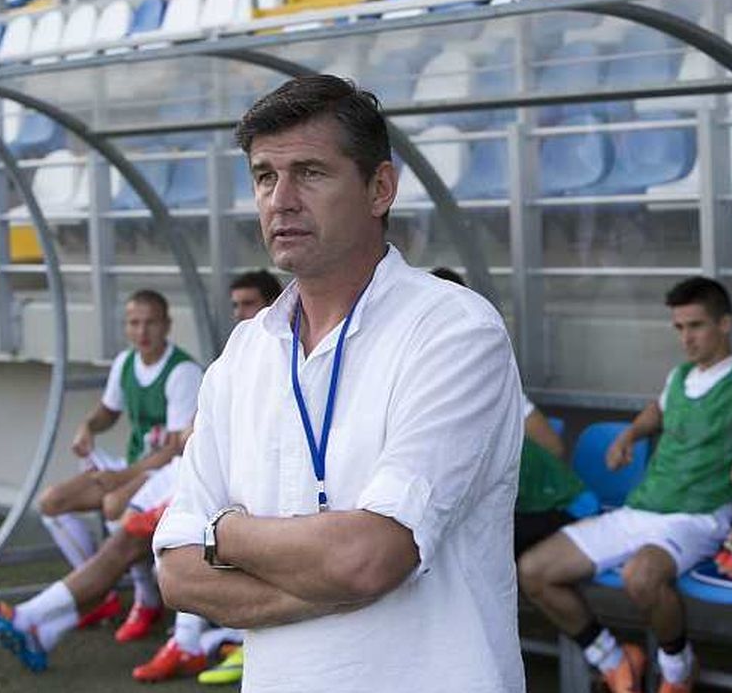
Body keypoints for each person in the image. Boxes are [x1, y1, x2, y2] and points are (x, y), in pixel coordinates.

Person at [152, 75, 526, 692]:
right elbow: (178, 575)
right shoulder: (245, 352)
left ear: (380, 188)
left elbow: (369, 558)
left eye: (310, 173)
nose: (281, 200)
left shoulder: (454, 330)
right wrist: (336, 576)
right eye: (265, 176)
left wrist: (226, 532)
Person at [518, 276, 732, 693]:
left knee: (641, 577)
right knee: (534, 571)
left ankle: (677, 671)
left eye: (696, 326)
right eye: (679, 327)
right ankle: (614, 660)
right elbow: (659, 410)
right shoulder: (679, 376)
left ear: (725, 324)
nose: (686, 337)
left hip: (697, 517)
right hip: (639, 509)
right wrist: (632, 434)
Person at [136, 271, 283, 686]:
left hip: (252, 493)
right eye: (235, 305)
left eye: (248, 303)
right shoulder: (236, 355)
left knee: (171, 532)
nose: (239, 313)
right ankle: (169, 623)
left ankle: (195, 638)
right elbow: (199, 434)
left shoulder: (286, 353)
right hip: (207, 480)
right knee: (153, 535)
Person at [38, 289, 203, 642]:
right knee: (51, 502)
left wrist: (119, 478)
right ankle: (100, 592)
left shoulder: (183, 371)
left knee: (116, 505)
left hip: (165, 472)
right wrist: (88, 426)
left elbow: (175, 449)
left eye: (150, 323)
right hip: (135, 465)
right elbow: (108, 410)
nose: (142, 331)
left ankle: (144, 599)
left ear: (167, 325)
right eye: (134, 323)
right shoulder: (126, 362)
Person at [0, 434, 203, 673]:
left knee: (126, 541)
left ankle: (27, 617)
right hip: (181, 470)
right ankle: (44, 634)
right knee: (122, 531)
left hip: (199, 478)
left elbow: (187, 441)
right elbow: (184, 438)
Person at [430, 266, 593, 557]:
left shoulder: (487, 382)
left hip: (554, 505)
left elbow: (551, 447)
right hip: (511, 507)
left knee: (468, 547)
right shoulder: (421, 382)